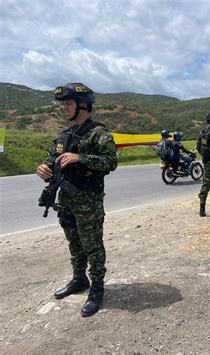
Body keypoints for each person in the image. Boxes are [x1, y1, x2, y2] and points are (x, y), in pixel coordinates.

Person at [36, 83, 117, 317]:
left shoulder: (98, 133)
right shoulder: (63, 135)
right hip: (67, 200)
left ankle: (97, 287)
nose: (64, 108)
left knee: (92, 245)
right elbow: (52, 160)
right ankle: (79, 279)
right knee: (74, 242)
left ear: (83, 105)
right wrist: (43, 168)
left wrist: (81, 158)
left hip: (88, 202)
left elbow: (110, 162)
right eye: (63, 104)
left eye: (68, 104)